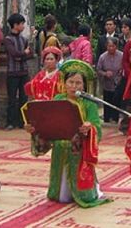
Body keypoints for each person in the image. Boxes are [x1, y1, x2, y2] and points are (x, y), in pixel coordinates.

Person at [25, 60, 108, 208]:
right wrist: (35, 129)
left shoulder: (89, 103)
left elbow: (97, 128)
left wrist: (89, 128)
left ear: (84, 85)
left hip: (79, 151)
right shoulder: (58, 99)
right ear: (65, 82)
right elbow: (49, 123)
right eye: (71, 82)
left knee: (80, 192)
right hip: (60, 149)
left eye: (78, 83)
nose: (74, 86)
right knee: (62, 197)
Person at [4, 13, 32, 130]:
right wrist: (23, 54)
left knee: (23, 98)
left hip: (23, 72)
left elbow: (30, 54)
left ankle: (22, 122)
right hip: (12, 72)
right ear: (15, 25)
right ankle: (10, 122)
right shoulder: (8, 39)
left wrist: (23, 55)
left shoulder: (24, 39)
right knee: (11, 98)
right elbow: (14, 54)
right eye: (21, 24)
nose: (23, 26)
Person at [96, 37, 124, 123]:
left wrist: (121, 72)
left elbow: (125, 67)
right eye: (109, 46)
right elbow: (98, 69)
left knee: (116, 101)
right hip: (107, 84)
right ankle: (106, 119)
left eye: (113, 46)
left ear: (116, 46)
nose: (111, 48)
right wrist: (105, 73)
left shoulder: (121, 56)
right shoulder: (102, 57)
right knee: (107, 101)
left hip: (118, 83)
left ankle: (115, 119)